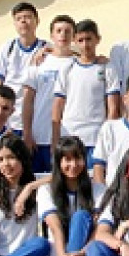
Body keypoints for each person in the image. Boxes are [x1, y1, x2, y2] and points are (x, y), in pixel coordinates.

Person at [41, 137, 108, 256]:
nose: (73, 165)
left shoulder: (98, 190)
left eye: (77, 158)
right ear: (58, 162)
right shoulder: (46, 190)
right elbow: (55, 228)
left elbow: (100, 230)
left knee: (80, 216)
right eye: (67, 159)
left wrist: (81, 253)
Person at [52, 19, 120, 161]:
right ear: (74, 41)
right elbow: (58, 105)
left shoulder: (107, 68)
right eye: (80, 40)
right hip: (69, 136)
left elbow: (113, 108)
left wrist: (108, 136)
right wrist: (55, 137)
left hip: (96, 138)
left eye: (89, 39)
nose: (85, 44)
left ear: (97, 39)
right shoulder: (67, 68)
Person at [22, 14, 76, 173]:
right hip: (38, 138)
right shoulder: (39, 62)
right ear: (52, 35)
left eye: (67, 31)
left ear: (73, 36)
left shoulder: (78, 64)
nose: (63, 35)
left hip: (66, 138)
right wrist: (27, 133)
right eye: (59, 31)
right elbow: (28, 100)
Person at [0, 2, 46, 135]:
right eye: (19, 19)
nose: (23, 21)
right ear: (15, 24)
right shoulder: (7, 48)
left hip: (36, 121)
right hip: (9, 120)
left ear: (37, 21)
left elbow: (71, 53)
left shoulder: (46, 49)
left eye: (28, 17)